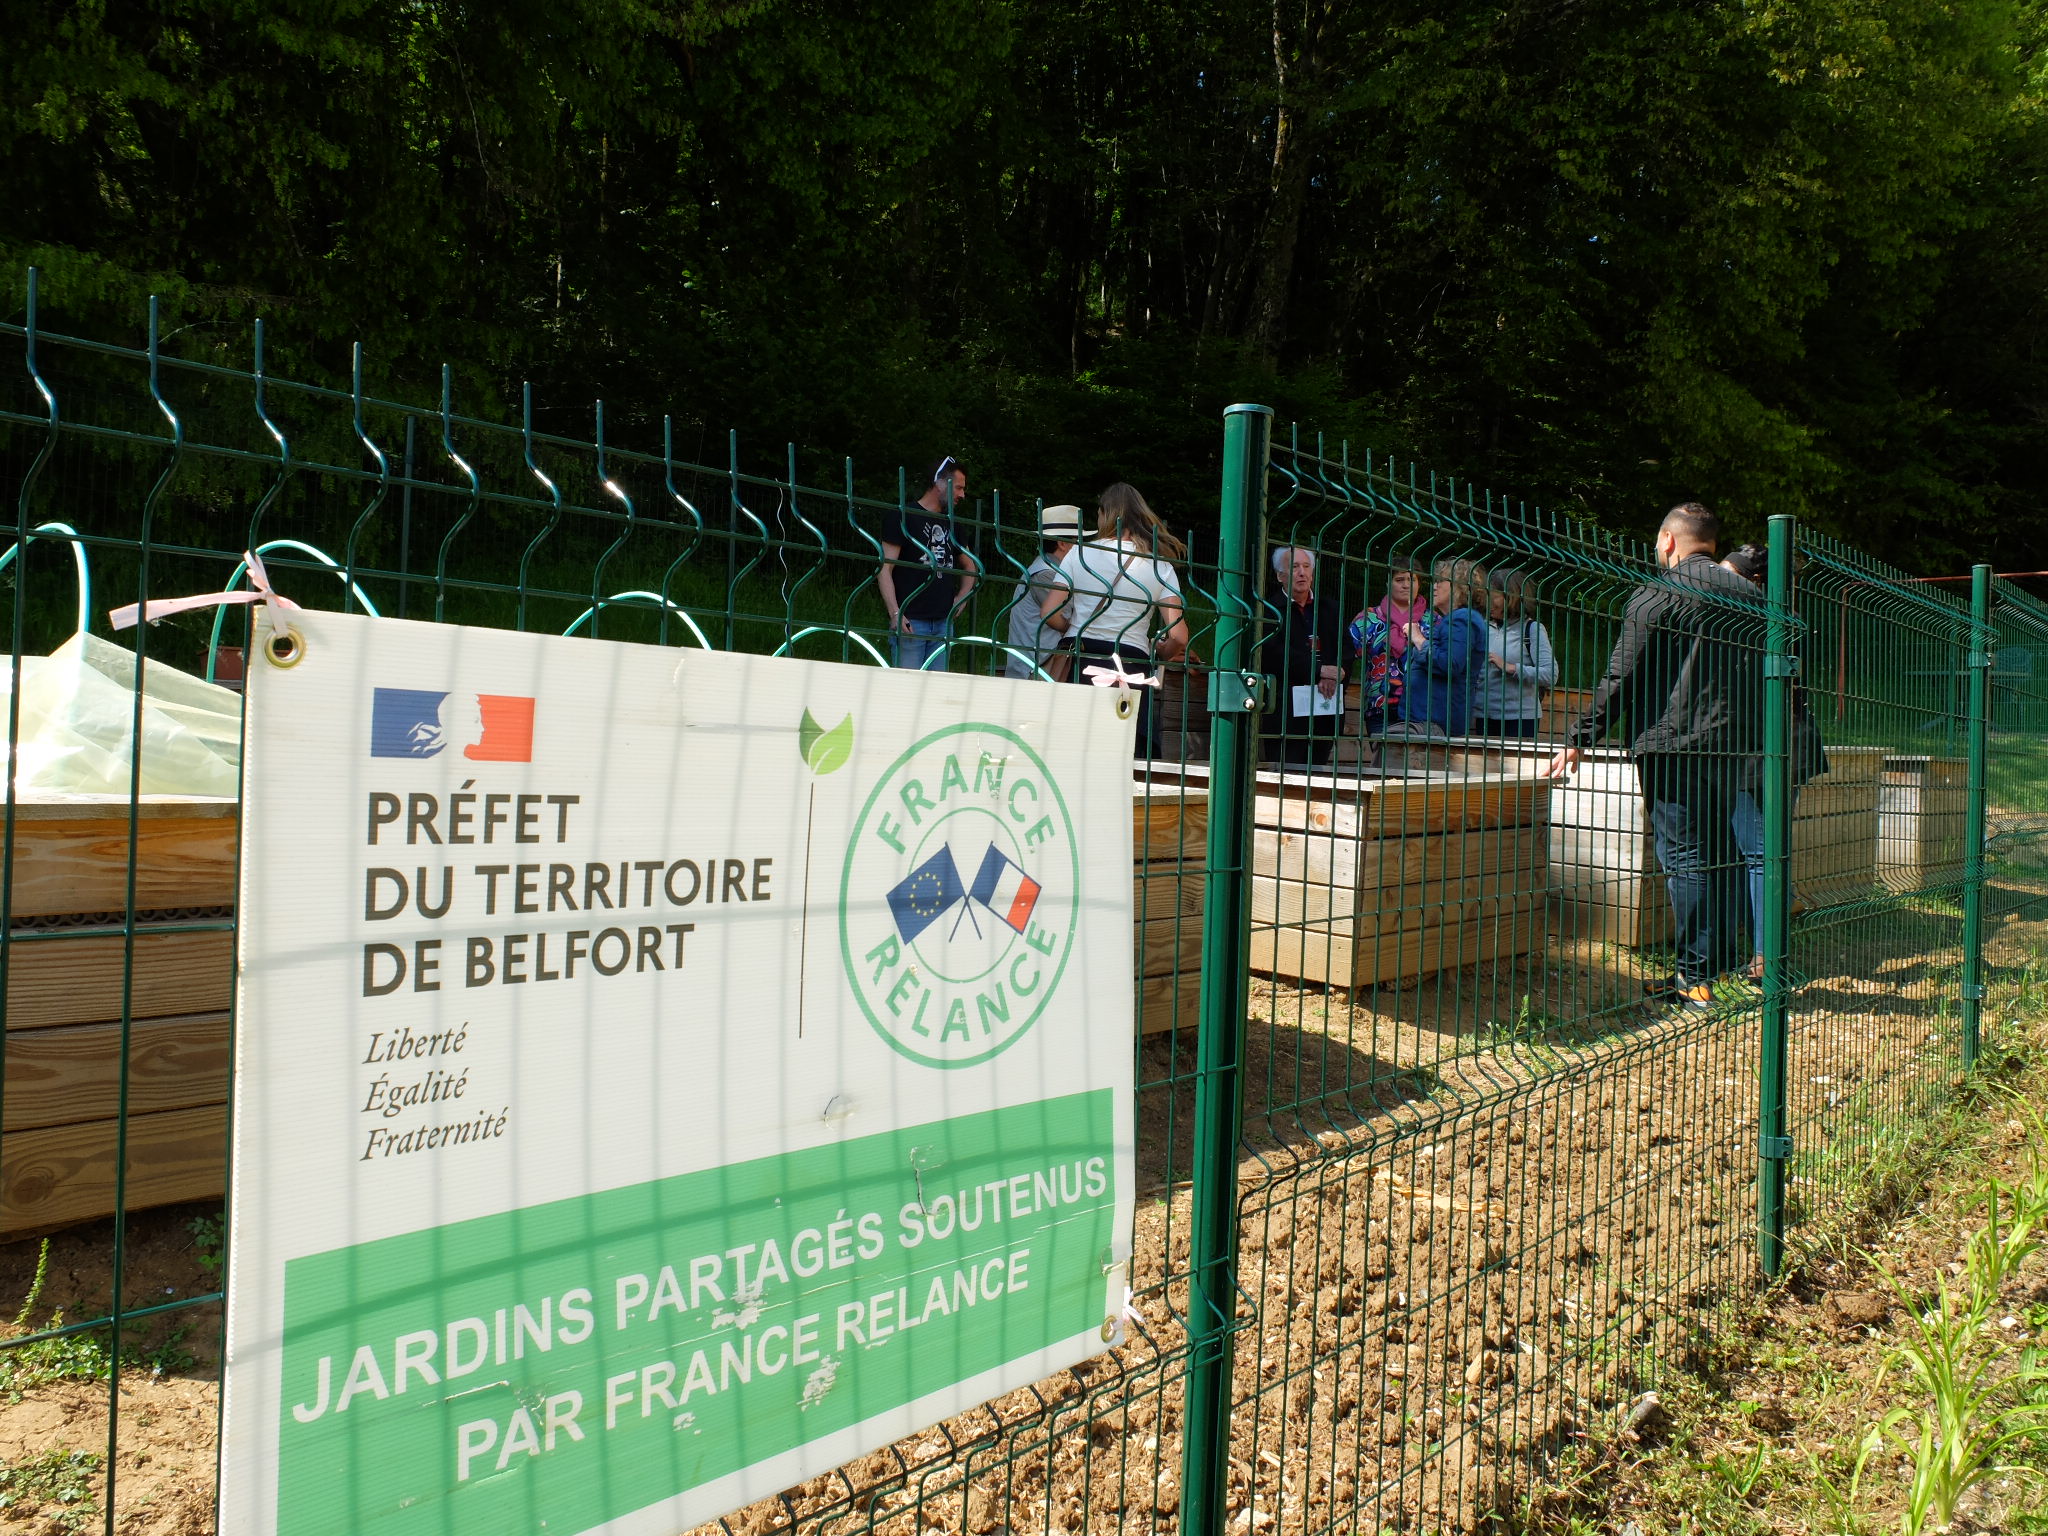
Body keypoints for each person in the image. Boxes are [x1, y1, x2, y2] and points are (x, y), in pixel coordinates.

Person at [1547, 503, 1764, 1012]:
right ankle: (1710, 965)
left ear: (1668, 541)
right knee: (1718, 853)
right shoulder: (1751, 596)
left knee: (1684, 858)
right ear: (1711, 542)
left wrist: (1581, 735)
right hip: (1733, 745)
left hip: (1672, 744)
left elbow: (1623, 675)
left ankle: (1693, 979)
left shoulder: (1659, 591)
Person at [1720, 543, 1828, 982]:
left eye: (1729, 574)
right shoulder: (1776, 618)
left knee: (1761, 853)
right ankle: (1768, 932)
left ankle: (1767, 960)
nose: (1719, 581)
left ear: (1754, 580)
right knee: (1758, 850)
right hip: (1767, 745)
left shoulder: (1759, 621)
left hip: (1770, 748)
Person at [1040, 483, 1190, 758]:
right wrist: (1159, 654)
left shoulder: (1080, 552)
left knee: (1073, 752)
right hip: (1132, 664)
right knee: (1125, 759)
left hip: (1082, 660)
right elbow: (1179, 636)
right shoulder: (1160, 565)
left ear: (1104, 514)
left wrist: (1074, 627)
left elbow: (1049, 613)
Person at [880, 456, 980, 669]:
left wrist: (962, 599)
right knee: (907, 689)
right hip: (911, 622)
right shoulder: (903, 516)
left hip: (943, 623)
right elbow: (884, 568)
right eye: (959, 488)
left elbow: (971, 566)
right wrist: (895, 613)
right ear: (940, 483)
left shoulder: (953, 524)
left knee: (935, 691)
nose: (963, 495)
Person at [1257, 546, 1348, 768]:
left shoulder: (1331, 608)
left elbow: (1345, 648)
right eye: (1294, 567)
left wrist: (1336, 672)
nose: (1301, 572)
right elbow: (1272, 652)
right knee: (1285, 775)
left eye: (1306, 567)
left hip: (1324, 712)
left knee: (1318, 776)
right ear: (1280, 576)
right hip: (1285, 714)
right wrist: (1318, 670)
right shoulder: (1268, 610)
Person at [1399, 558, 1489, 734]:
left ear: (1460, 586)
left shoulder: (1463, 619)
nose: (1434, 586)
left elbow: (1450, 663)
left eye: (1440, 581)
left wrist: (1418, 639)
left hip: (1435, 721)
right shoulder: (1456, 619)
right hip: (1428, 720)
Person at [1473, 568, 1557, 739]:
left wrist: (1510, 667)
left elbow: (1550, 675)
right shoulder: (1481, 627)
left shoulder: (1532, 629)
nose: (1487, 602)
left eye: (1493, 596)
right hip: (1482, 717)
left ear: (1512, 598)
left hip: (1519, 720)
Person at [1002, 504, 1081, 679]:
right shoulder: (1047, 575)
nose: (1080, 548)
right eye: (1076, 541)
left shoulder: (1045, 569)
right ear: (1062, 544)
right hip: (1035, 670)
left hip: (1038, 666)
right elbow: (1064, 619)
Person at [1362, 558, 1427, 720]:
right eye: (1399, 580)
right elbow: (1345, 656)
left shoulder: (1434, 622)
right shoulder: (1368, 619)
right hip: (1379, 707)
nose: (1406, 585)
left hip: (1421, 708)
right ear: (1388, 583)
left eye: (1412, 579)